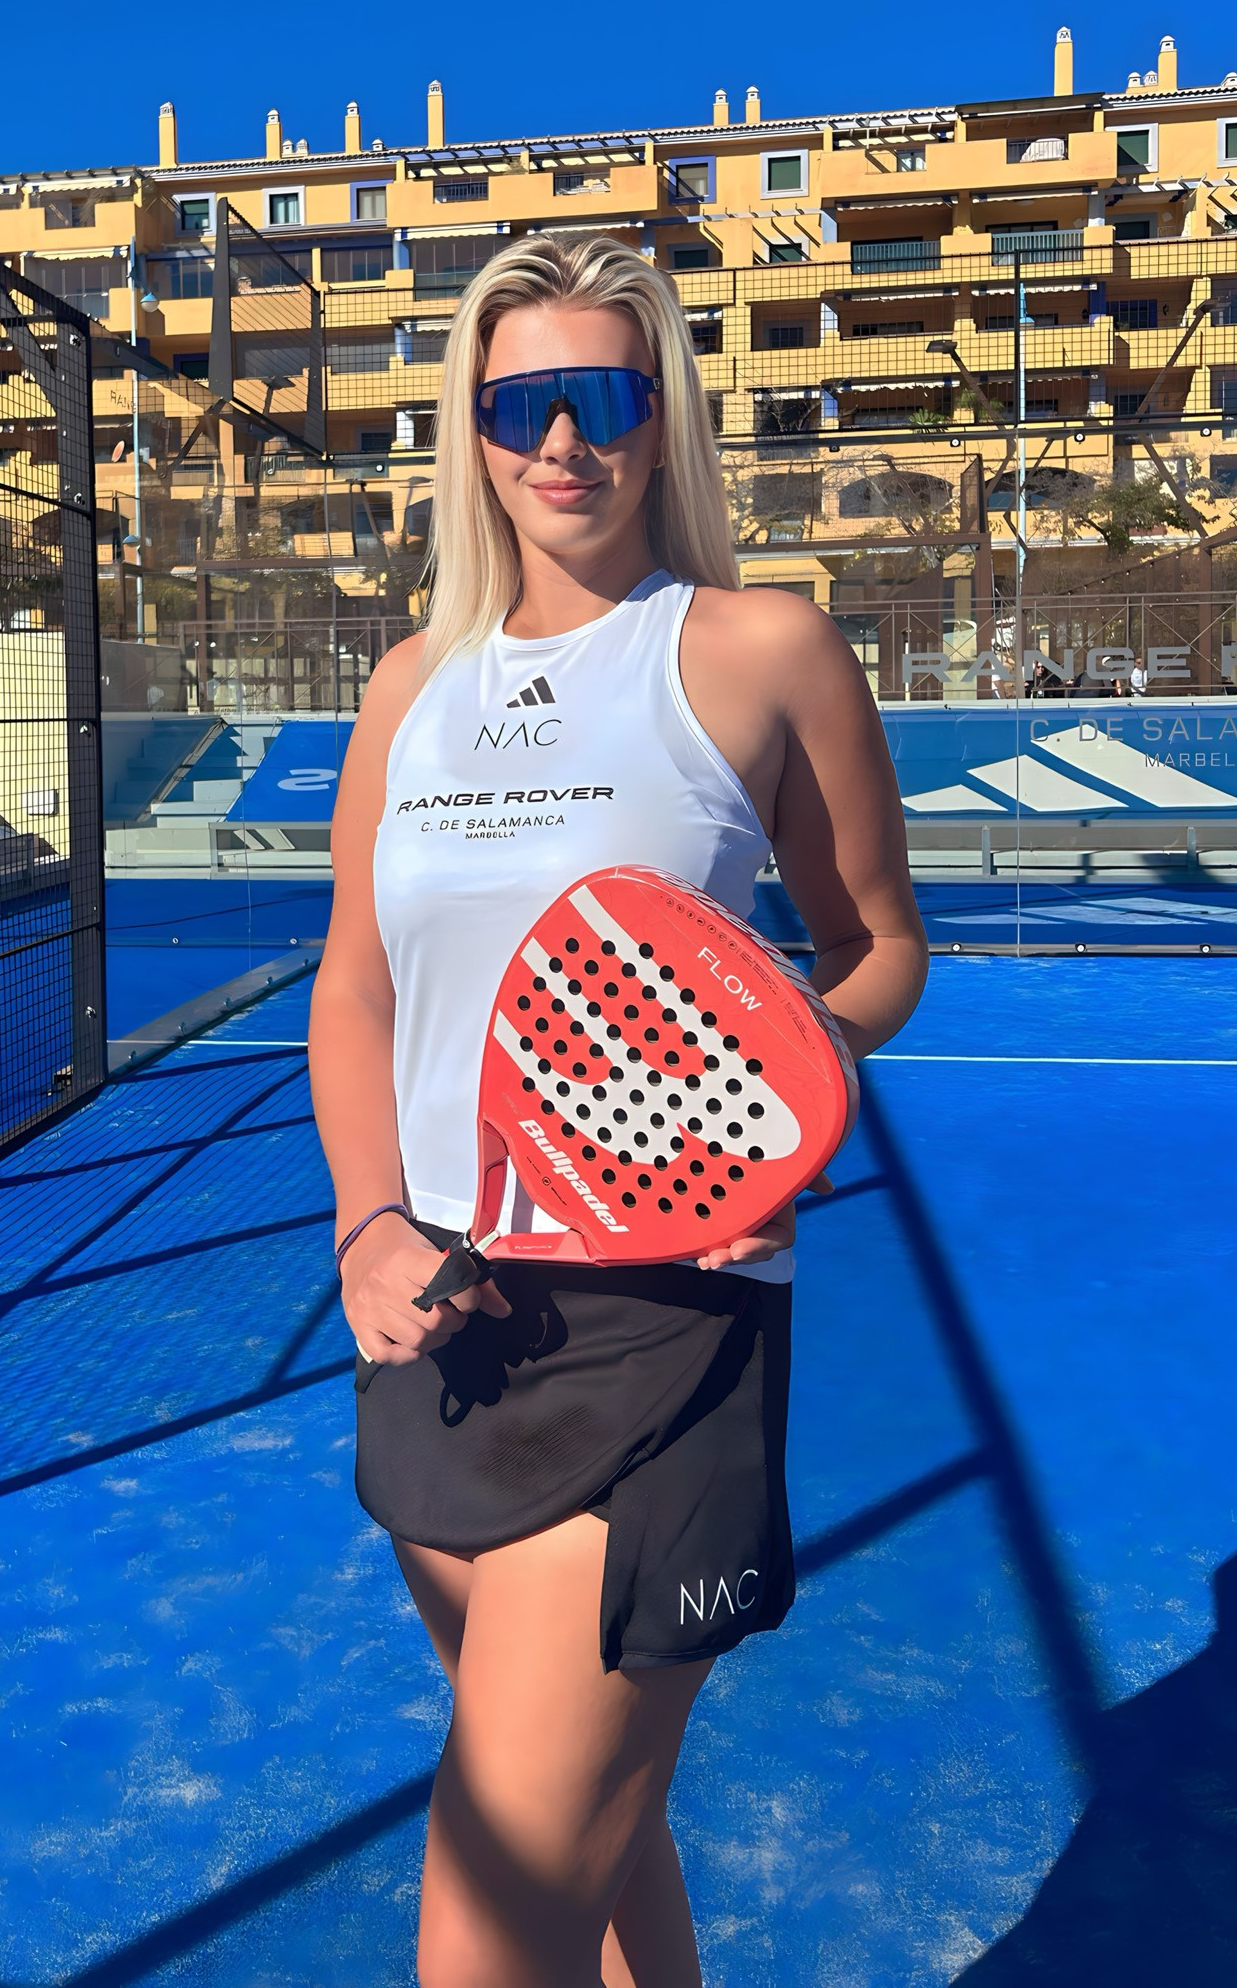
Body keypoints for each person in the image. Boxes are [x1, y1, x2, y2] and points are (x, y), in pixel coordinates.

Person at [309, 234, 928, 1988]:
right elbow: (354, 987)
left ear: (664, 422)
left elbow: (876, 949)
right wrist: (367, 1224)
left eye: (602, 398)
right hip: (443, 1322)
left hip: (669, 1318)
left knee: (492, 1923)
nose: (562, 443)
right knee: (606, 1842)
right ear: (472, 430)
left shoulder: (760, 647)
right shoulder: (408, 685)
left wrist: (785, 1100)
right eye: (520, 406)